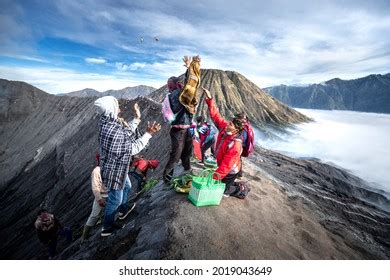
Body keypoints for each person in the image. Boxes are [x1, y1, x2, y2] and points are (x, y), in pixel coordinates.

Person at [94, 96, 161, 237]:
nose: (119, 107)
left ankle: (122, 212)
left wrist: (137, 118)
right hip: (115, 170)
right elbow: (133, 148)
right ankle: (107, 229)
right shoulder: (113, 130)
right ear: (111, 109)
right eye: (116, 105)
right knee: (115, 199)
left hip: (114, 166)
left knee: (128, 186)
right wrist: (148, 134)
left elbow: (125, 132)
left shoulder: (107, 122)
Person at [202, 87, 246, 196]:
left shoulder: (235, 145)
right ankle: (234, 184)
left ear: (236, 129)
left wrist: (214, 177)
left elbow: (227, 166)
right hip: (223, 167)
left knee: (222, 192)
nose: (227, 124)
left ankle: (242, 190)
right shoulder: (225, 128)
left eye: (230, 124)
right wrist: (210, 99)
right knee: (220, 184)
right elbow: (216, 116)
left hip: (231, 170)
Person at [81, 154, 135, 241]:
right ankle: (84, 237)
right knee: (94, 216)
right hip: (102, 195)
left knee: (114, 208)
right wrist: (99, 199)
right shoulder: (97, 171)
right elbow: (95, 187)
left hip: (112, 193)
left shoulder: (111, 167)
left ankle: (113, 223)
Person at [163, 57, 196, 183]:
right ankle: (167, 180)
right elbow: (190, 86)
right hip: (181, 130)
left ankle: (184, 172)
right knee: (178, 156)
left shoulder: (171, 96)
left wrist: (189, 68)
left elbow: (169, 118)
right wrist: (189, 69)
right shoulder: (177, 95)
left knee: (183, 154)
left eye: (169, 85)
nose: (168, 88)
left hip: (182, 129)